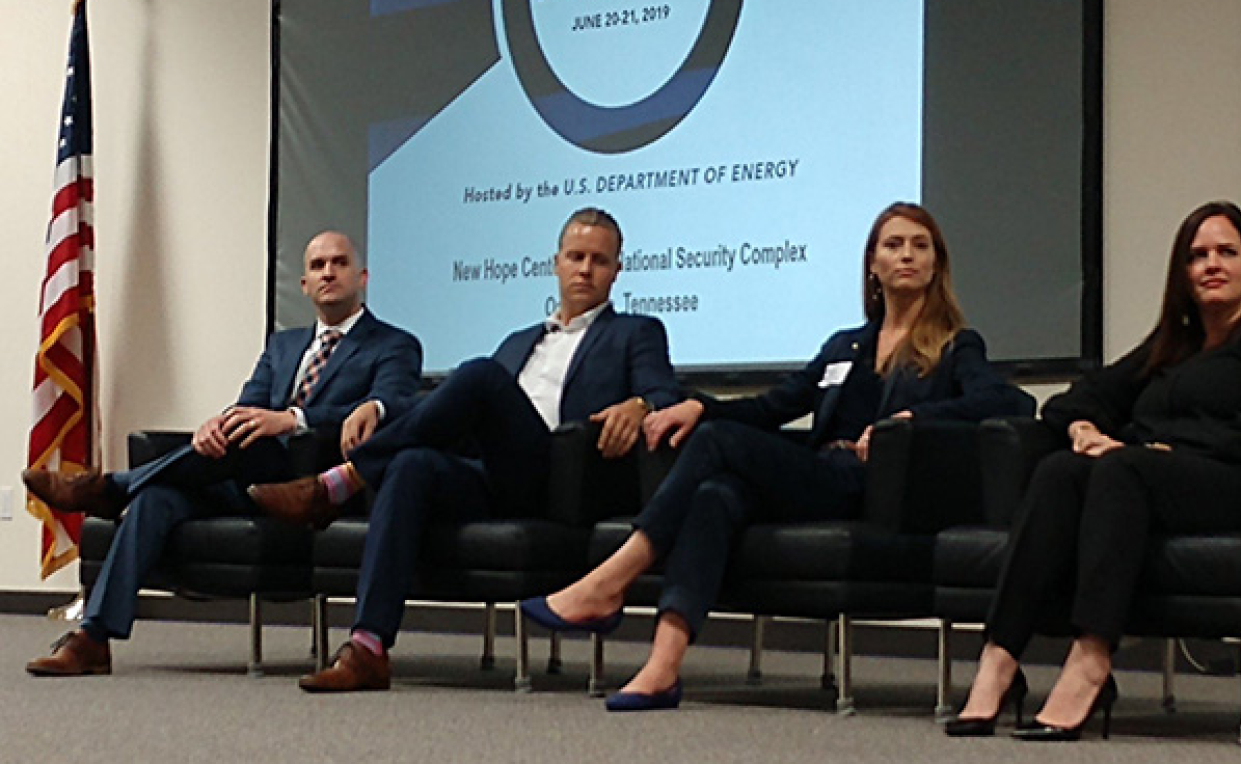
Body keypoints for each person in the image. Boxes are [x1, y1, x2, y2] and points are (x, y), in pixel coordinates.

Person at [520, 202, 1034, 711]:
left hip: (874, 487)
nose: (907, 256)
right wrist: (698, 405)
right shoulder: (846, 346)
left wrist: (913, 422)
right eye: (893, 245)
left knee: (717, 443)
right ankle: (663, 665)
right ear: (872, 264)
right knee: (715, 494)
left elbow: (1007, 401)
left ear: (935, 264)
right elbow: (773, 407)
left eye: (920, 247)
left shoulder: (956, 345)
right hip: (821, 474)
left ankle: (612, 578)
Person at [248, 207, 681, 692]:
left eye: (598, 260)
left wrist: (642, 404)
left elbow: (668, 395)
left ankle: (340, 481)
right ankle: (368, 646)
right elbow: (460, 414)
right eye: (575, 257)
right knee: (412, 463)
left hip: (559, 477)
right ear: (556, 263)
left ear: (616, 270)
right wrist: (379, 406)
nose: (584, 269)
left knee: (477, 375)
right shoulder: (520, 342)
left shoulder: (636, 333)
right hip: (491, 472)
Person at [947, 201, 1241, 741]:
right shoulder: (1171, 346)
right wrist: (1083, 430)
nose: (1211, 264)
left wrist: (1155, 448)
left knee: (1121, 468)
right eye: (1197, 256)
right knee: (1060, 470)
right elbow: (1070, 402)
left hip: (1239, 483)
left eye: (1226, 252)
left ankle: (1092, 660)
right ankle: (1000, 657)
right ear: (1183, 273)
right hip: (1150, 477)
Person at [23, 231, 423, 676]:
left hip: (310, 483)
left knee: (259, 443)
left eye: (339, 263)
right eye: (317, 266)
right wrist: (220, 423)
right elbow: (248, 405)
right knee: (156, 498)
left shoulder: (394, 344)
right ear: (304, 285)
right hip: (244, 474)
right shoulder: (283, 346)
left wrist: (294, 419)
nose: (328, 272)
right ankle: (92, 639)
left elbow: (395, 408)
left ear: (362, 277)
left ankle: (112, 486)